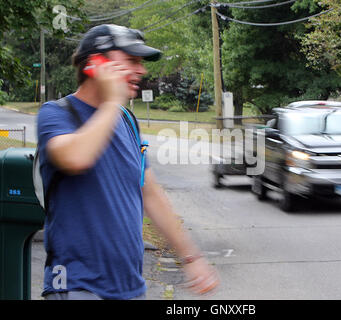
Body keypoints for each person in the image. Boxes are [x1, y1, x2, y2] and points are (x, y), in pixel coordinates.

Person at [37, 24, 219, 300]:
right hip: (76, 286)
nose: (142, 70)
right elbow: (75, 158)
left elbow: (151, 195)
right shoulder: (57, 114)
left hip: (130, 288)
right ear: (95, 64)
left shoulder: (128, 121)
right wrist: (112, 102)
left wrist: (191, 258)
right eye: (132, 61)